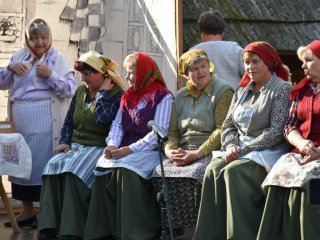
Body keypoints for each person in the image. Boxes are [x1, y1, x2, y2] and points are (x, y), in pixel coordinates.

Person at [193, 41, 292, 240]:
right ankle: (211, 235)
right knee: (211, 171)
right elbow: (228, 125)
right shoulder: (242, 91)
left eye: (255, 62)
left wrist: (242, 149)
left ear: (269, 63)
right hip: (240, 149)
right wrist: (231, 145)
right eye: (247, 63)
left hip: (266, 151)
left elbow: (275, 133)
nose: (250, 67)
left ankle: (241, 235)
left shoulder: (282, 90)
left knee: (232, 172)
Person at [84, 52, 174, 240]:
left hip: (150, 151)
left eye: (131, 72)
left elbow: (160, 131)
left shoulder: (163, 96)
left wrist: (131, 149)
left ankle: (135, 231)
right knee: (102, 167)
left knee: (126, 171)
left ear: (144, 72)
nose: (126, 77)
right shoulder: (128, 96)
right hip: (125, 150)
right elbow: (117, 124)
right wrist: (112, 145)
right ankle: (106, 229)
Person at [37, 51, 124, 239]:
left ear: (103, 74)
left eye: (88, 73)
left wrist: (102, 93)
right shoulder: (81, 91)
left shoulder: (117, 94)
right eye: (82, 74)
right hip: (76, 146)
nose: (84, 78)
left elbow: (103, 119)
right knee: (52, 167)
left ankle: (72, 230)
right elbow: (69, 121)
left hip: (100, 147)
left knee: (75, 172)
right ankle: (49, 226)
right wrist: (65, 142)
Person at [0, 18, 77, 228]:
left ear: (50, 37)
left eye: (43, 37)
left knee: (43, 166)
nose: (39, 42)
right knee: (21, 164)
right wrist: (9, 69)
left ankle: (47, 214)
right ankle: (27, 212)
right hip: (21, 122)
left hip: (46, 122)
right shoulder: (19, 56)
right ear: (27, 39)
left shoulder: (58, 59)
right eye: (34, 38)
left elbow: (70, 89)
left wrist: (50, 75)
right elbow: (2, 83)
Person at [152, 49, 233, 233]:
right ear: (186, 74)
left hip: (210, 150)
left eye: (203, 66)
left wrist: (196, 154)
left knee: (196, 173)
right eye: (194, 69)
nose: (201, 72)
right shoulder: (180, 96)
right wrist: (170, 150)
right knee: (159, 172)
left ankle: (200, 229)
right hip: (184, 149)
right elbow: (172, 131)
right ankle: (173, 229)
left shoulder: (223, 91)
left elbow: (222, 130)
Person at [257, 40, 320, 240]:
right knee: (277, 183)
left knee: (310, 187)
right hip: (302, 151)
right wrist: (301, 143)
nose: (303, 66)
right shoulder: (302, 90)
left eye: (309, 61)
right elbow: (290, 126)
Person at [189, 10, 245, 90]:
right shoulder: (235, 49)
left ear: (202, 33)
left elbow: (187, 83)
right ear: (222, 33)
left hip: (203, 100)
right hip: (233, 99)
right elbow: (248, 76)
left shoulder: (192, 52)